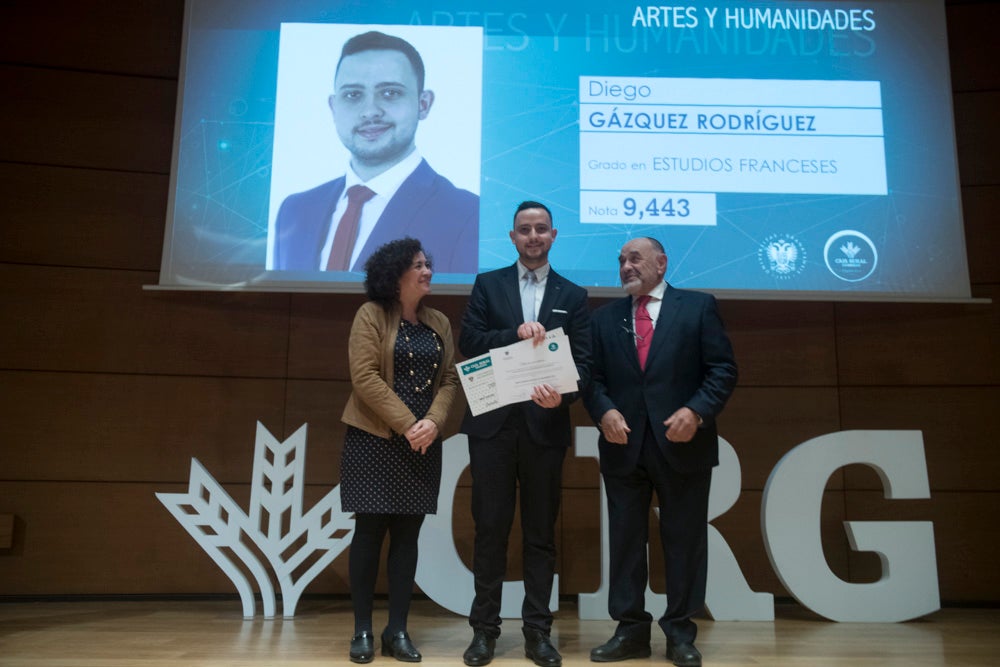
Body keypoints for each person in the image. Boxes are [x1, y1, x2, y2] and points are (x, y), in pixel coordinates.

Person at [584, 237, 737, 667]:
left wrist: (698, 410)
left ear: (661, 262)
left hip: (683, 446)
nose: (625, 266)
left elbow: (723, 370)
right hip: (622, 446)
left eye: (634, 258)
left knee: (684, 543)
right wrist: (605, 411)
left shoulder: (698, 306)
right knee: (626, 543)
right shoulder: (603, 319)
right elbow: (591, 380)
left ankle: (681, 634)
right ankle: (630, 631)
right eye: (620, 261)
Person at [458, 201, 592, 667]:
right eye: (524, 230)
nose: (533, 236)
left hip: (545, 428)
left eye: (541, 229)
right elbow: (469, 342)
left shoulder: (573, 295)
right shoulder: (487, 284)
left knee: (540, 536)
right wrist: (513, 333)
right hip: (492, 427)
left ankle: (538, 632)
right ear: (511, 237)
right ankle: (484, 633)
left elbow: (585, 365)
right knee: (490, 531)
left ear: (554, 235)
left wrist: (566, 397)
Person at [339, 237, 460, 663]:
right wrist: (409, 424)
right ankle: (362, 632)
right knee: (369, 535)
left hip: (424, 441)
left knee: (408, 538)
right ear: (395, 274)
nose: (428, 271)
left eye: (429, 263)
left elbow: (449, 380)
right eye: (418, 265)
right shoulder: (370, 315)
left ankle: (398, 631)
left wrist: (433, 423)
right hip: (374, 440)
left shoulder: (440, 321)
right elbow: (365, 377)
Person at [272, 30, 478, 274]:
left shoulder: (468, 215)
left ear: (423, 104)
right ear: (333, 106)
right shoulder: (295, 211)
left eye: (390, 92)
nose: (369, 111)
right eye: (352, 95)